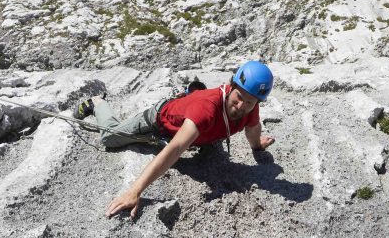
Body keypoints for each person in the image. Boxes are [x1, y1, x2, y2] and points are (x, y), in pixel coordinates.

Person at [77, 61, 277, 220]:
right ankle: (98, 103)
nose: (241, 106)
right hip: (160, 123)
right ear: (231, 86)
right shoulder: (207, 108)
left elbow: (252, 129)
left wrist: (257, 146)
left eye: (249, 102)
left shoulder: (250, 107)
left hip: (203, 133)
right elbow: (176, 147)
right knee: (110, 138)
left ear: (257, 102)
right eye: (238, 97)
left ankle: (190, 95)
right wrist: (135, 191)